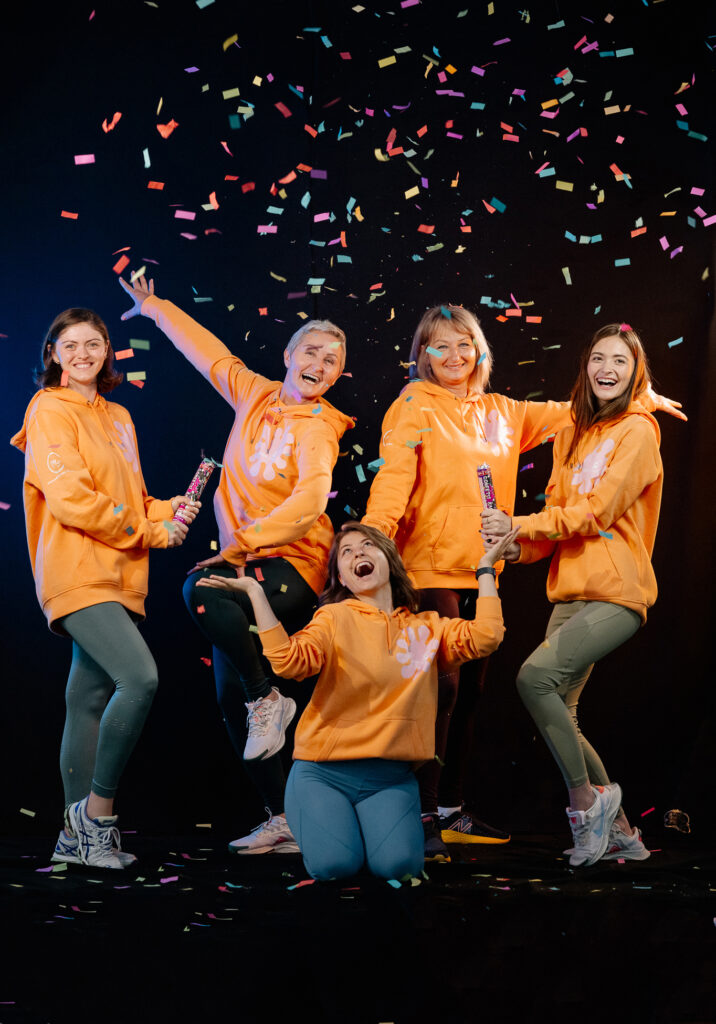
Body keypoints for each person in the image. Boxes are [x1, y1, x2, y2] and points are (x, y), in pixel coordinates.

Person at [362, 304, 685, 861]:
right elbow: (393, 480)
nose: (454, 356)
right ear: (422, 355)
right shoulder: (414, 404)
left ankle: (456, 808)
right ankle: (424, 813)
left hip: (484, 573)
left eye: (464, 344)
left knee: (474, 694)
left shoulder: (503, 412)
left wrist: (642, 397)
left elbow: (576, 412)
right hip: (428, 569)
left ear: (480, 352)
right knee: (444, 690)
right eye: (440, 346)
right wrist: (371, 541)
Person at [119, 275, 354, 854]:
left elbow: (310, 501)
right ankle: (285, 818)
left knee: (201, 590)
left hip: (294, 565)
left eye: (331, 361)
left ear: (335, 376)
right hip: (244, 561)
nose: (319, 365)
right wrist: (155, 306)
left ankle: (267, 698)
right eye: (311, 352)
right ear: (288, 356)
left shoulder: (321, 428)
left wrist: (243, 543)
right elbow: (208, 352)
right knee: (230, 698)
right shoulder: (253, 393)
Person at [196, 522, 518, 881]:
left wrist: (486, 571)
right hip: (323, 775)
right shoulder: (333, 618)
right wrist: (257, 595)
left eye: (367, 545)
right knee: (335, 866)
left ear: (390, 560)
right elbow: (288, 661)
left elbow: (488, 636)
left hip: (391, 780)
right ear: (342, 578)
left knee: (398, 868)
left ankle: (362, 833)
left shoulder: (430, 627)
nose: (357, 553)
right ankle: (326, 827)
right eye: (346, 552)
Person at [11, 308, 198, 869]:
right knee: (139, 678)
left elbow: (131, 499)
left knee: (88, 700)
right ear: (53, 353)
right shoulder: (48, 408)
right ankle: (97, 819)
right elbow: (71, 499)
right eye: (70, 345)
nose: (83, 354)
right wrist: (152, 531)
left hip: (121, 574)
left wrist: (167, 510)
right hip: (76, 570)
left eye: (93, 343)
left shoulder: (119, 415)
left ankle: (73, 841)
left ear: (108, 350)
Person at [481, 323, 669, 866]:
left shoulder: (639, 431)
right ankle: (623, 833)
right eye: (598, 358)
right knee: (561, 709)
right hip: (567, 592)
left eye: (621, 361)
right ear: (585, 366)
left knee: (533, 679)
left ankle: (586, 804)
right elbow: (558, 524)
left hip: (617, 592)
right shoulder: (570, 434)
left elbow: (597, 513)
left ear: (636, 374)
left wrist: (520, 522)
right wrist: (515, 547)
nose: (607, 369)